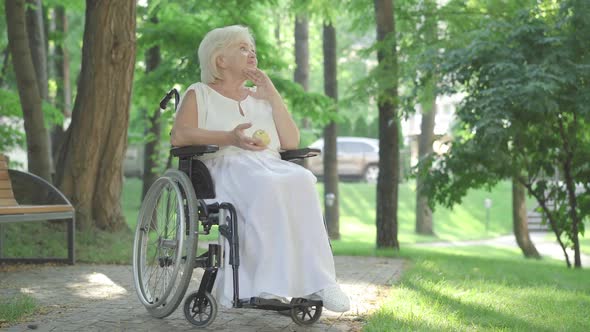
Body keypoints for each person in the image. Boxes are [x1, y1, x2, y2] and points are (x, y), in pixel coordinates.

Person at [170, 25, 350, 313]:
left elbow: (291, 142)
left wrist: (273, 94)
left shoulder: (261, 98)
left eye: (252, 48)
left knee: (303, 178)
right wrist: (229, 138)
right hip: (223, 167)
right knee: (268, 184)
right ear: (220, 60)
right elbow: (180, 136)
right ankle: (266, 282)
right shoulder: (200, 93)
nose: (251, 52)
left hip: (268, 164)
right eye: (242, 48)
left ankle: (321, 281)